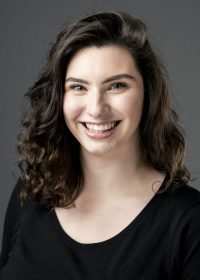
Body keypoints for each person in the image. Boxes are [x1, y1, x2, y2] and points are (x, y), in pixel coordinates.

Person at [0, 10, 200, 280]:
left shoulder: (189, 221)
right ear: (60, 98)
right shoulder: (31, 193)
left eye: (117, 85)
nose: (96, 109)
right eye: (78, 87)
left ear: (149, 94)